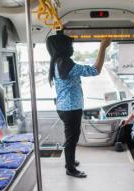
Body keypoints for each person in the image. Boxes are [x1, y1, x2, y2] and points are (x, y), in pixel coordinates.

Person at [46, 33, 111, 178]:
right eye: (70, 45)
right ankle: (70, 169)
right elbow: (95, 70)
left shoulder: (57, 61)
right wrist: (103, 47)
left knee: (70, 137)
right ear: (63, 47)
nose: (72, 48)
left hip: (65, 107)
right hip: (70, 109)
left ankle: (70, 162)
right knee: (72, 139)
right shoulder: (65, 63)